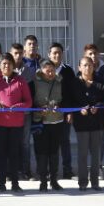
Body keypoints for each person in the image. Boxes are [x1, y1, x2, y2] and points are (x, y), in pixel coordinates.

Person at [64, 55, 104, 191]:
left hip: (97, 122)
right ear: (79, 67)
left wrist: (98, 107)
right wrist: (77, 110)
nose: (88, 68)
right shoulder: (74, 83)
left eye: (90, 65)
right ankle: (83, 182)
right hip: (81, 123)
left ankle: (95, 182)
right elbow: (70, 101)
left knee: (96, 155)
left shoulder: (101, 82)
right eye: (84, 65)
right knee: (82, 154)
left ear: (94, 66)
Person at [0, 56, 29, 191]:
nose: (7, 66)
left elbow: (28, 102)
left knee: (14, 154)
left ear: (13, 65)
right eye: (4, 64)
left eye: (9, 64)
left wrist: (19, 106)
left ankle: (15, 183)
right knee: (1, 154)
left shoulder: (21, 81)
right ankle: (1, 183)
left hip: (16, 124)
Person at [30, 60, 67, 192]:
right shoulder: (34, 82)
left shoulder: (59, 81)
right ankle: (43, 181)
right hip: (41, 122)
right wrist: (38, 108)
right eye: (47, 70)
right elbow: (30, 101)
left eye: (52, 70)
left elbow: (65, 99)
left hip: (56, 121)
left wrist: (60, 106)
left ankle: (54, 180)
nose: (51, 73)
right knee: (41, 153)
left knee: (54, 152)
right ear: (41, 70)